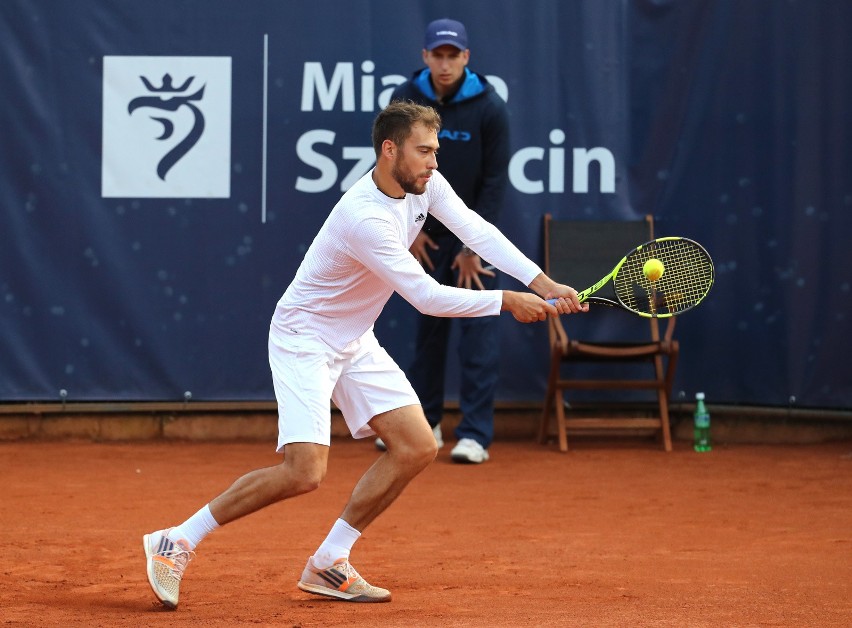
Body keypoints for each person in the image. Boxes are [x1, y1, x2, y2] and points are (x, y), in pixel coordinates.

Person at [142, 101, 587, 609]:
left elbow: (476, 231)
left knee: (417, 445)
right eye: (423, 151)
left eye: (436, 151)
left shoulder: (426, 185)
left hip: (353, 337)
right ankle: (175, 539)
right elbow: (427, 297)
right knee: (303, 472)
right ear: (389, 149)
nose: (433, 162)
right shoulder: (363, 217)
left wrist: (541, 280)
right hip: (304, 336)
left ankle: (330, 561)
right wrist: (505, 301)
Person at [376, 18, 511, 464]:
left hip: (470, 235)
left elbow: (493, 182)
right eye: (439, 55)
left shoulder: (489, 106)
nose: (446, 63)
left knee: (479, 333)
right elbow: (388, 165)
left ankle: (474, 433)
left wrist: (474, 249)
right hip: (425, 237)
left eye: (454, 55)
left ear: (466, 58)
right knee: (428, 330)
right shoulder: (405, 98)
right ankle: (426, 422)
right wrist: (407, 233)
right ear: (426, 57)